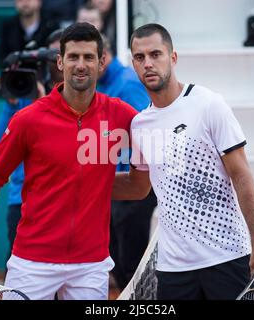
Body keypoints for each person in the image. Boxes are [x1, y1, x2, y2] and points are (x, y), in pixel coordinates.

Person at [0, 23, 138, 300]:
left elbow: (157, 145)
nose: (81, 65)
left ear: (102, 62)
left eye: (89, 57)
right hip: (31, 262)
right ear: (60, 61)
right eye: (73, 57)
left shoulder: (122, 116)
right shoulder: (28, 119)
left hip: (90, 264)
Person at [111, 23, 254, 300]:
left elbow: (242, 175)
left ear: (172, 58)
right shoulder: (139, 125)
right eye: (140, 58)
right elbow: (138, 187)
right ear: (133, 63)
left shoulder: (209, 104)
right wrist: (81, 180)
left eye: (155, 54)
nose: (148, 64)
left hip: (226, 256)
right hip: (173, 268)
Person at [0, 29, 64, 262]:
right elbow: (1, 144)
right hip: (22, 199)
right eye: (54, 55)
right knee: (17, 266)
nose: (59, 62)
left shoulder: (82, 96)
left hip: (63, 200)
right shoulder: (26, 90)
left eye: (63, 54)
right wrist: (11, 103)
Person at [96, 35, 157, 290]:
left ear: (104, 58)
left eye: (90, 58)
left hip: (133, 185)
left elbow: (143, 131)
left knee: (130, 262)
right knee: (120, 262)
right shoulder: (105, 84)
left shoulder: (126, 84)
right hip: (118, 183)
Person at [0, 0, 57, 64]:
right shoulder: (8, 26)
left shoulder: (51, 25)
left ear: (39, 2)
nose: (25, 3)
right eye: (20, 0)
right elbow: (3, 56)